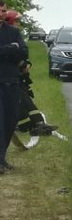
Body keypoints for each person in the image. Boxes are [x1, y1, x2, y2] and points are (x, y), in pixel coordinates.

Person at [0, 11, 28, 173]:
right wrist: (11, 48)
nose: (1, 13)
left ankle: (2, 158)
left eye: (3, 10)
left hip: (11, 81)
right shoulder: (12, 39)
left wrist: (11, 49)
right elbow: (16, 51)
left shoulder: (13, 32)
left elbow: (24, 52)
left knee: (10, 122)